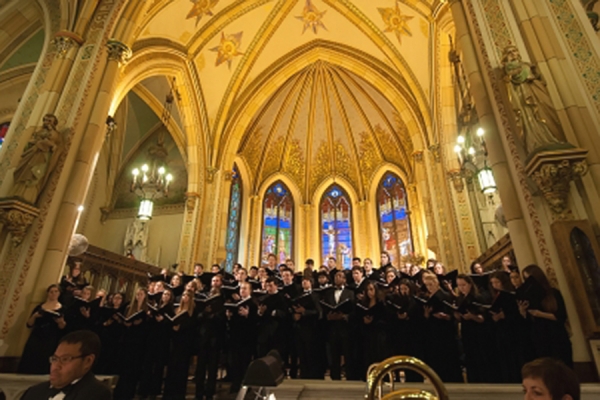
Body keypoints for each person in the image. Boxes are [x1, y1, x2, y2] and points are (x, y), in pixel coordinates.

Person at [502, 45, 566, 154]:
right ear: (505, 57)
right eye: (509, 53)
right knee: (530, 119)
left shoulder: (527, 65)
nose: (512, 54)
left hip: (536, 94)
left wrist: (535, 72)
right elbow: (510, 84)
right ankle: (536, 141)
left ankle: (553, 138)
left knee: (547, 111)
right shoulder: (508, 71)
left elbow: (541, 80)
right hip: (523, 99)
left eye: (514, 51)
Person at [20, 330, 112, 400]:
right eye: (55, 359)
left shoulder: (97, 394)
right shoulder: (34, 391)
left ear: (87, 361)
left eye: (65, 359)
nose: (56, 366)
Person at [518, 265, 573, 368]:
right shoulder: (528, 296)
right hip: (539, 338)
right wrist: (523, 312)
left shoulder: (553, 293)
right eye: (525, 279)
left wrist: (539, 314)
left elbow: (561, 317)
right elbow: (527, 324)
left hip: (556, 336)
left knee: (562, 368)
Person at [11, 113, 63, 204]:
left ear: (54, 123)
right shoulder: (39, 131)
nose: (46, 122)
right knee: (25, 171)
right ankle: (17, 193)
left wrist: (47, 142)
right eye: (45, 120)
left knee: (34, 174)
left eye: (49, 121)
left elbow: (54, 144)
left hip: (42, 157)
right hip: (32, 154)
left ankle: (28, 196)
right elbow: (31, 142)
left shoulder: (55, 134)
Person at [18, 284, 66, 374]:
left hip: (51, 336)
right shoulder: (40, 307)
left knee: (45, 358)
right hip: (37, 334)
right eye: (51, 292)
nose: (53, 293)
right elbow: (29, 324)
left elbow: (62, 328)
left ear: (59, 293)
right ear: (48, 293)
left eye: (56, 291)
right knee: (30, 356)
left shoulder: (62, 308)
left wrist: (60, 322)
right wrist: (35, 316)